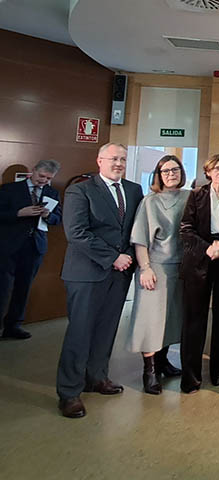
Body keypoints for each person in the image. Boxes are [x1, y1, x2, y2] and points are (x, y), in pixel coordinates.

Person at [56, 143, 143, 418]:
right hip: (86, 274)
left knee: (107, 330)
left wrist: (127, 256)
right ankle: (69, 392)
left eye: (122, 159)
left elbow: (133, 230)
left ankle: (97, 377)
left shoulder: (133, 190)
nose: (118, 163)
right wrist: (113, 257)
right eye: (113, 158)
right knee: (80, 333)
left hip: (119, 274)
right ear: (100, 161)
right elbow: (77, 233)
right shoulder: (80, 189)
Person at [126, 155, 189, 395]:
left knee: (172, 318)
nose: (171, 174)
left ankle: (163, 361)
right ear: (158, 175)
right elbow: (140, 238)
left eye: (175, 170)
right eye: (166, 171)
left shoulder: (189, 197)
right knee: (150, 321)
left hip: (181, 268)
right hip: (155, 268)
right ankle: (149, 371)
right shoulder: (149, 202)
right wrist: (145, 268)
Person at [179, 153, 219, 394]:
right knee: (194, 320)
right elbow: (186, 229)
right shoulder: (196, 195)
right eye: (217, 168)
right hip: (199, 260)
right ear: (208, 171)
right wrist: (208, 248)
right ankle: (191, 377)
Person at [0, 159, 62, 339]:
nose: (43, 180)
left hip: (35, 246)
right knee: (3, 289)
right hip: (9, 247)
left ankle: (13, 326)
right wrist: (19, 213)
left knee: (24, 288)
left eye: (48, 178)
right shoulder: (9, 189)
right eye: (41, 176)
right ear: (33, 171)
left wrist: (49, 215)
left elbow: (59, 219)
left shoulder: (52, 193)